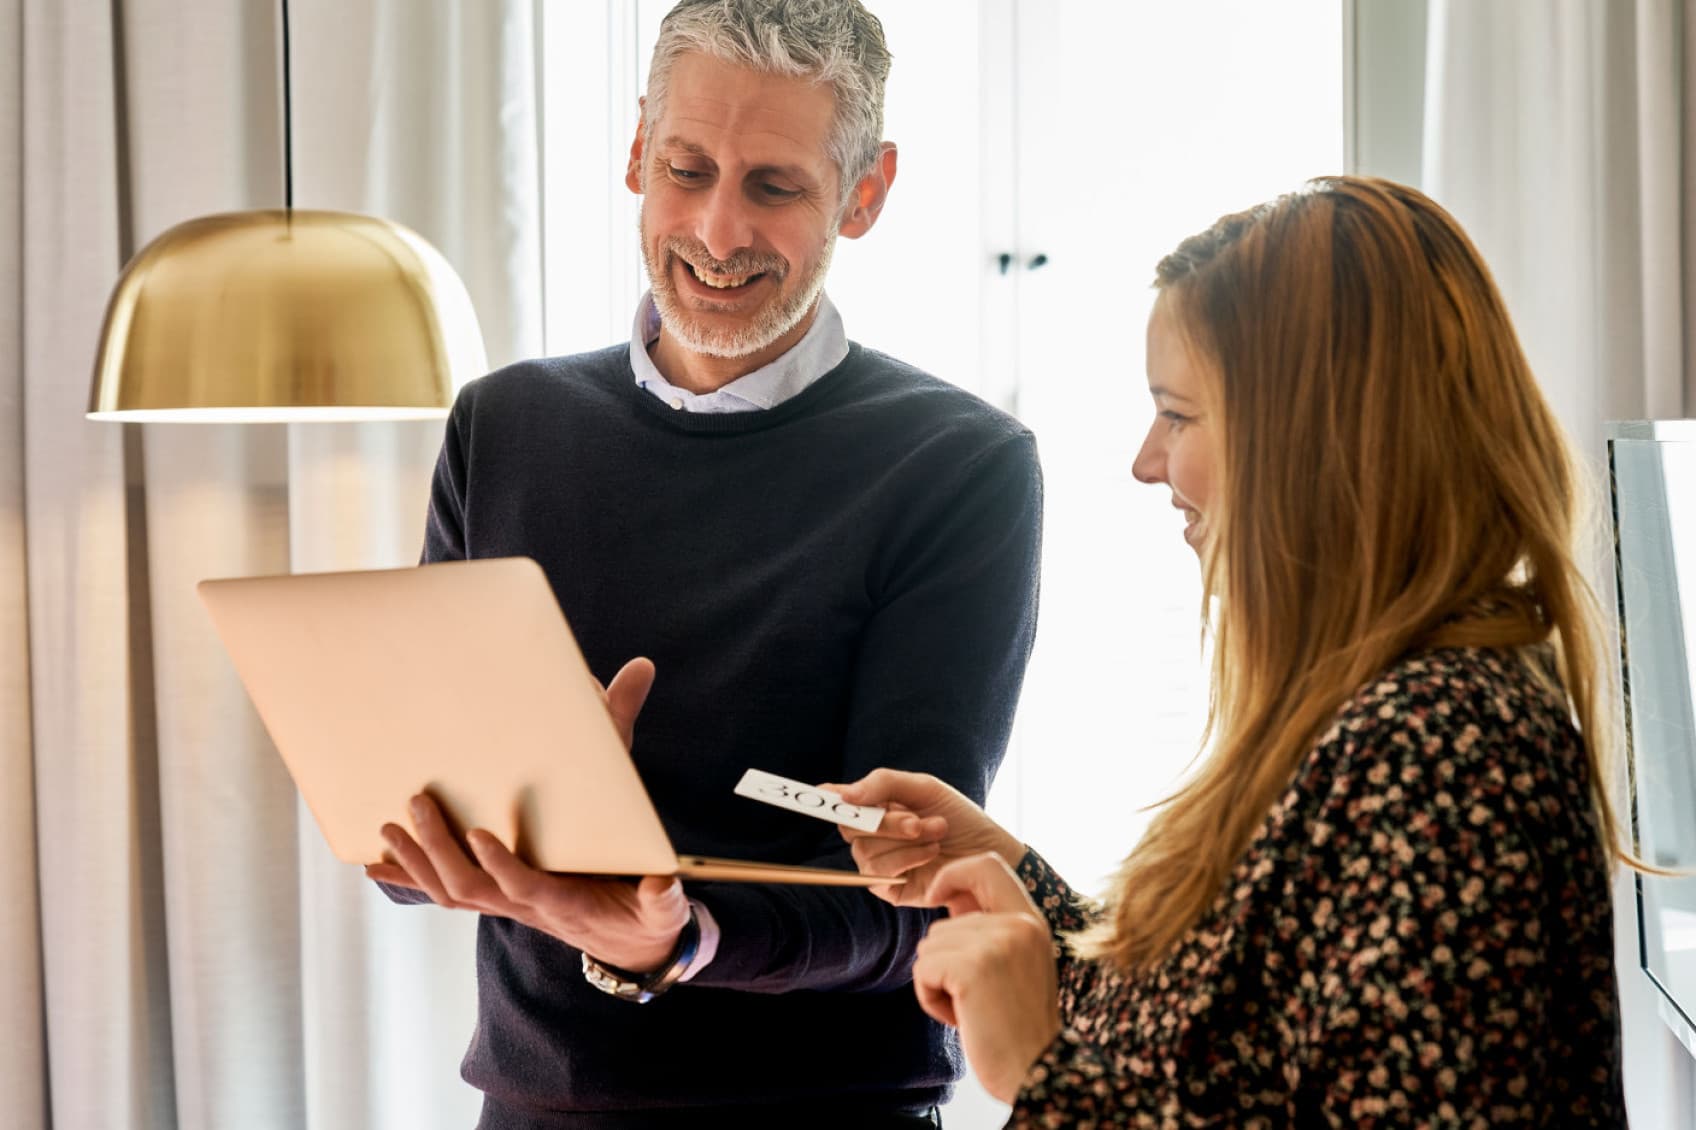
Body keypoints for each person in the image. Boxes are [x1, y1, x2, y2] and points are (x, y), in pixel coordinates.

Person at [361, 2, 1043, 1127]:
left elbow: (917, 892)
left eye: (774, 187)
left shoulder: (958, 467)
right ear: (638, 151)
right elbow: (411, 831)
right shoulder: (503, 425)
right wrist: (432, 834)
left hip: (824, 1111)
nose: (719, 232)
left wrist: (681, 937)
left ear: (865, 193)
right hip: (534, 1106)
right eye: (687, 170)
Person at [834, 176, 1629, 1125]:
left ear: (1314, 438)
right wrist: (1016, 887)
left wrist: (1044, 1078)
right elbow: (1224, 1044)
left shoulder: (1437, 750)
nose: (1146, 462)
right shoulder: (1379, 710)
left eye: (1178, 415)